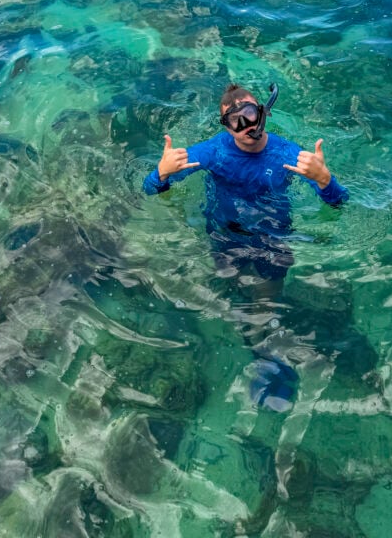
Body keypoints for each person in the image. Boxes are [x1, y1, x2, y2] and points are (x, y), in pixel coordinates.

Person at [143, 82, 349, 410]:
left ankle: (267, 361)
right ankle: (259, 344)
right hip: (225, 236)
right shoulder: (213, 151)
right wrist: (161, 174)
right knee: (233, 288)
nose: (246, 126)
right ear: (225, 126)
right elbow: (151, 189)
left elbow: (340, 203)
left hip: (273, 240)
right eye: (235, 121)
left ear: (264, 112)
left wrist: (325, 180)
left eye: (251, 114)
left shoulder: (289, 155)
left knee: (263, 306)